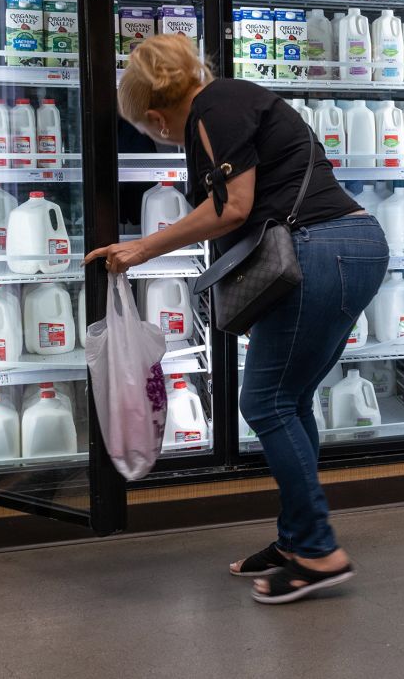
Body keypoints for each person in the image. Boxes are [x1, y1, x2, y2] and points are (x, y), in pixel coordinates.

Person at [85, 34, 388, 604]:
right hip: (346, 245)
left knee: (266, 402)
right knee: (289, 400)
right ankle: (298, 540)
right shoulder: (231, 100)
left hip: (324, 248)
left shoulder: (212, 108)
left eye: (153, 132)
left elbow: (234, 207)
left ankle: (320, 552)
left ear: (155, 116)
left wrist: (142, 248)